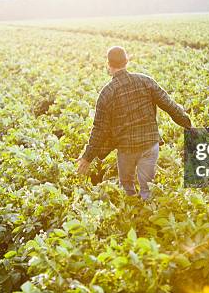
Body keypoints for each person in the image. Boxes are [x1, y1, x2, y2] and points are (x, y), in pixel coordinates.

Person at [77, 46, 192, 199]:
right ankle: (147, 215)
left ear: (108, 65)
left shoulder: (107, 93)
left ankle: (132, 217)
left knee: (127, 188)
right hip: (150, 144)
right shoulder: (145, 81)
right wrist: (187, 123)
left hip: (127, 149)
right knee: (147, 189)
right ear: (127, 61)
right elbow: (169, 104)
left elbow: (100, 129)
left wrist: (87, 157)